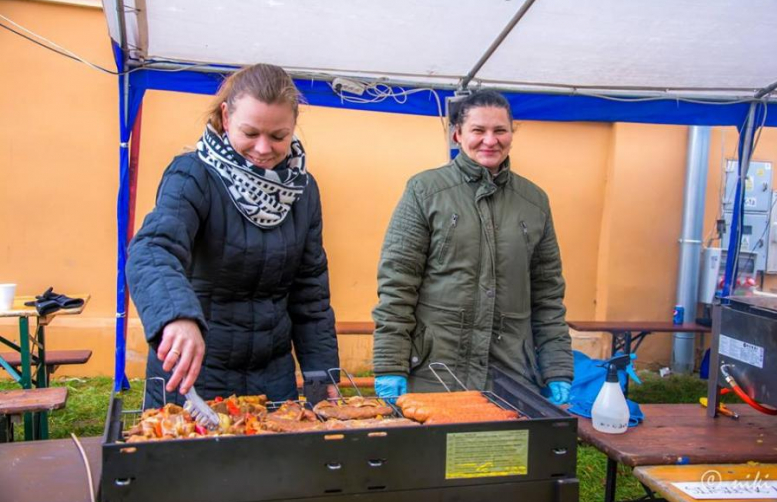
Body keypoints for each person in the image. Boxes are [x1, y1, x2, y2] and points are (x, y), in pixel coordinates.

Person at [127, 63, 339, 407]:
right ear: (226, 118)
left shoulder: (303, 191)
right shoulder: (193, 175)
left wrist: (319, 383)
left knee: (274, 461)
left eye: (278, 136)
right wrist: (176, 316)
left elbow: (310, 294)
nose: (263, 148)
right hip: (195, 376)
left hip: (273, 380)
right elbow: (153, 249)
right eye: (250, 133)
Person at [372, 90, 572, 405]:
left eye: (500, 130)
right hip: (435, 371)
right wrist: (389, 363)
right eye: (478, 130)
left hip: (510, 375)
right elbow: (398, 283)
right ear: (458, 134)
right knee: (430, 454)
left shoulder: (534, 202)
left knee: (503, 454)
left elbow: (547, 295)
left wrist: (557, 369)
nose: (490, 140)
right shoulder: (425, 191)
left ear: (512, 134)